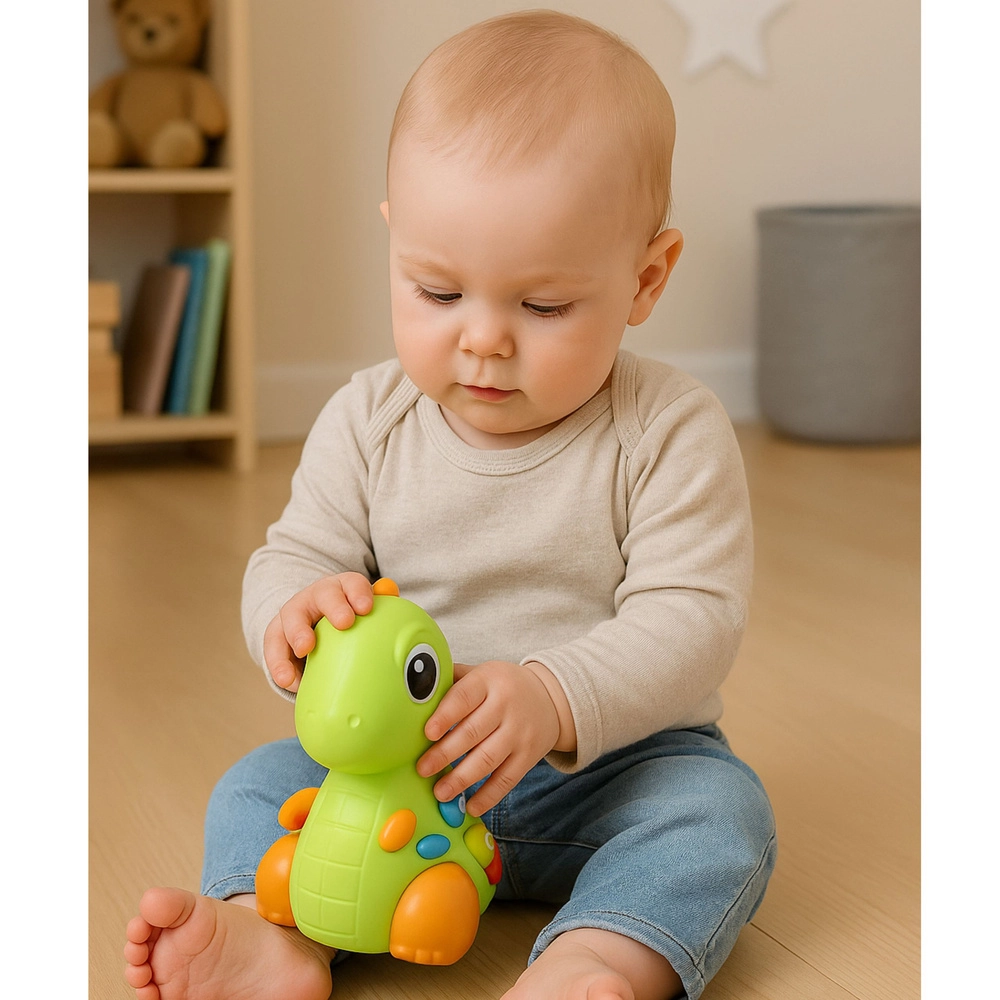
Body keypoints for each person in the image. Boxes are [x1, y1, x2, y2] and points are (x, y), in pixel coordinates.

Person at [123, 10, 776, 1000]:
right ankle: (276, 936)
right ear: (395, 241)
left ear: (645, 278)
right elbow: (293, 552)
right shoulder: (367, 419)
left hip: (610, 774)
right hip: (394, 786)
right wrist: (294, 612)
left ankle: (598, 956)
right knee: (255, 785)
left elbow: (694, 616)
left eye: (542, 306)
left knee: (721, 816)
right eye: (436, 292)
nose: (483, 340)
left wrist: (552, 695)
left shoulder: (668, 429)